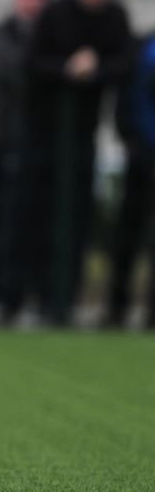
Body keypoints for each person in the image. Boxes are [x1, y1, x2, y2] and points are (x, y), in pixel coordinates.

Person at [5, 0, 132, 326]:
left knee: (75, 216)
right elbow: (33, 63)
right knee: (32, 213)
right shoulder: (55, 13)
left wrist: (95, 68)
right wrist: (66, 69)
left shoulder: (115, 17)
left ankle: (63, 298)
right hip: (42, 130)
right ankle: (19, 295)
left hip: (83, 131)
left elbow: (123, 63)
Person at [0, 0, 52, 310]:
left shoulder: (51, 35)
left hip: (36, 141)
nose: (32, 0)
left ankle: (33, 294)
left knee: (34, 222)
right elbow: (11, 67)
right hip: (1, 138)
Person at [105, 28, 155, 330]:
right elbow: (125, 96)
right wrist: (130, 139)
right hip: (141, 153)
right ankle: (116, 306)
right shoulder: (141, 46)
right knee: (128, 232)